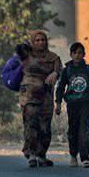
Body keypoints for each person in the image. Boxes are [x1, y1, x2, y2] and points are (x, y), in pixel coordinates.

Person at [18, 30, 62, 168]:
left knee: (45, 127)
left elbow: (60, 70)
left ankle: (41, 155)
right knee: (31, 124)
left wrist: (55, 73)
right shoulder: (27, 55)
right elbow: (18, 49)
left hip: (46, 96)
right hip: (29, 96)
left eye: (42, 40)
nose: (40, 42)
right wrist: (26, 44)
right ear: (33, 42)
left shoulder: (53, 57)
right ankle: (31, 154)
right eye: (37, 40)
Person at [55, 42, 89, 168]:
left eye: (80, 53)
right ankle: (73, 155)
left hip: (86, 103)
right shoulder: (66, 70)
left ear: (84, 54)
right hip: (72, 104)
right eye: (75, 53)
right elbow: (60, 87)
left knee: (84, 129)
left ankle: (85, 157)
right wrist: (58, 103)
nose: (77, 55)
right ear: (71, 54)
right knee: (73, 130)